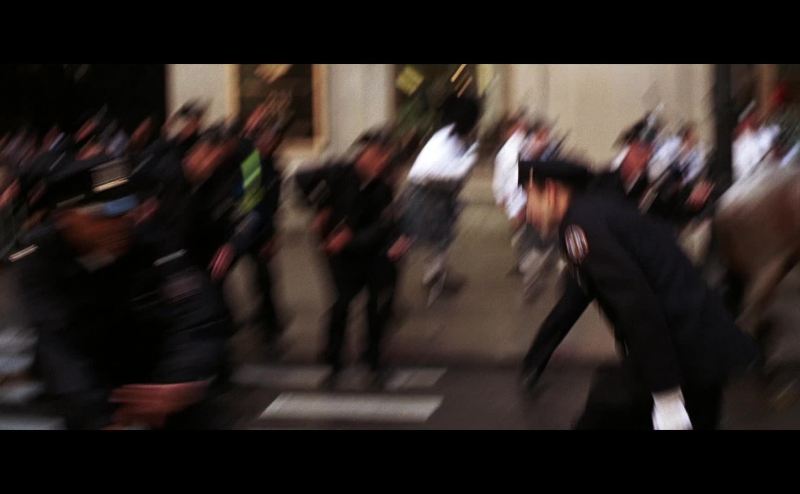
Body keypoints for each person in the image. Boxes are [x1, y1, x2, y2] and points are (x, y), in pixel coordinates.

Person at [518, 159, 759, 430]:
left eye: (528, 196)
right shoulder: (595, 211)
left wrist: (666, 393)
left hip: (684, 349)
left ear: (550, 191)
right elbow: (577, 297)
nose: (526, 210)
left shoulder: (579, 226)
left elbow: (635, 303)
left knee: (601, 414)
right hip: (692, 344)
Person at [12, 154, 229, 429]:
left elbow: (196, 310)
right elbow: (57, 343)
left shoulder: (152, 242)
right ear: (66, 217)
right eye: (103, 215)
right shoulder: (42, 259)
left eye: (125, 211)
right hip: (93, 394)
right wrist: (99, 417)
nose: (121, 223)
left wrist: (182, 376)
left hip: (162, 386)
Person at [295, 132, 411, 385]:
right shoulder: (339, 172)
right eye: (377, 155)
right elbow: (300, 179)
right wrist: (320, 206)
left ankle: (372, 358)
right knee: (342, 301)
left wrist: (396, 239)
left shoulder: (383, 185)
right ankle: (333, 358)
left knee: (376, 302)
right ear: (363, 155)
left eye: (385, 156)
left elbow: (385, 222)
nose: (382, 161)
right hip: (337, 251)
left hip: (368, 248)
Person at [403, 95, 480, 305]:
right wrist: (468, 160)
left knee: (441, 237)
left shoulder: (450, 137)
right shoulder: (443, 140)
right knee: (420, 238)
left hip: (437, 195)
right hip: (426, 195)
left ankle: (435, 274)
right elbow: (431, 171)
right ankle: (425, 276)